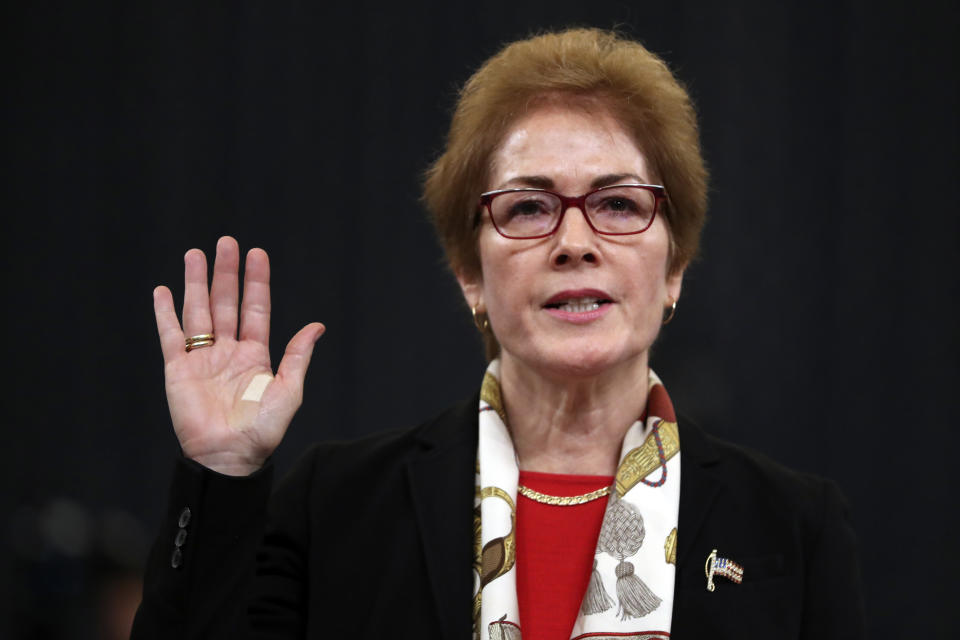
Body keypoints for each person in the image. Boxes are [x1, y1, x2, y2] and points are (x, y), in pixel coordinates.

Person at [132, 28, 865, 639]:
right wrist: (223, 473)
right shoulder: (339, 507)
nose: (575, 241)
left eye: (616, 204)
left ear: (674, 267)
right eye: (527, 208)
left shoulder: (792, 530)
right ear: (469, 274)